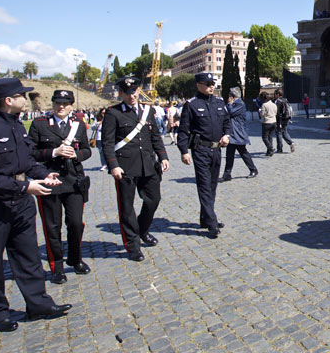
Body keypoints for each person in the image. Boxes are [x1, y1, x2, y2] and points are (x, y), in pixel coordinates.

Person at [0, 78, 71, 332]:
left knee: (28, 254)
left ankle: (38, 304)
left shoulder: (16, 126)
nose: (27, 99)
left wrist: (43, 174)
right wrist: (26, 187)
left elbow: (24, 161)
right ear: (8, 100)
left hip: (21, 201)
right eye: (22, 95)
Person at [101, 76, 169, 262]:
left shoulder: (148, 111)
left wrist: (163, 156)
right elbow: (107, 143)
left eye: (135, 91)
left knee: (153, 200)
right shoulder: (113, 113)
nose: (132, 96)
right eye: (128, 93)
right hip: (125, 167)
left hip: (148, 164)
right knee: (127, 208)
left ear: (139, 90)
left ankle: (143, 230)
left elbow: (155, 135)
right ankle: (133, 245)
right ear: (121, 93)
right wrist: (113, 165)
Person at [28, 89, 92, 284]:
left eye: (65, 103)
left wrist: (77, 155)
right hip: (50, 180)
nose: (61, 106)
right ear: (52, 104)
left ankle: (75, 259)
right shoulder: (39, 125)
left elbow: (88, 150)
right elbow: (30, 153)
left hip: (73, 181)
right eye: (57, 103)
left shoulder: (78, 125)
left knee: (75, 223)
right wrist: (53, 152)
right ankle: (57, 266)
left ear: (71, 105)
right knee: (52, 226)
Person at [176, 72, 231, 238]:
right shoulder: (191, 105)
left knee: (212, 185)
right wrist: (184, 151)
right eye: (207, 84)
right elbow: (184, 130)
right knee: (204, 185)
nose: (211, 87)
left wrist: (226, 135)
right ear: (198, 85)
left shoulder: (220, 102)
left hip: (217, 149)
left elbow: (227, 122)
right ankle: (212, 222)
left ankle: (205, 217)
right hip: (200, 150)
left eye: (212, 83)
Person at [221, 87, 257, 181]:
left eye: (229, 95)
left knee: (243, 153)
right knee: (229, 155)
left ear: (233, 96)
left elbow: (231, 112)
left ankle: (253, 169)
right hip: (232, 133)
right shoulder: (235, 103)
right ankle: (227, 174)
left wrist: (229, 103)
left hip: (238, 133)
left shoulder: (240, 103)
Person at [274, 89, 295, 154]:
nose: (274, 95)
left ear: (278, 94)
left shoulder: (278, 101)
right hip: (286, 119)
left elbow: (277, 112)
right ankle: (291, 143)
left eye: (275, 94)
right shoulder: (285, 100)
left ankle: (280, 149)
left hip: (280, 120)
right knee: (284, 132)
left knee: (279, 133)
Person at [258, 92, 277, 157]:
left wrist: (260, 111)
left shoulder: (264, 105)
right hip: (274, 122)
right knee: (270, 137)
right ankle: (269, 152)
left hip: (267, 122)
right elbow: (275, 112)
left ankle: (270, 148)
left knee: (264, 138)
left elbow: (262, 115)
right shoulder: (273, 104)